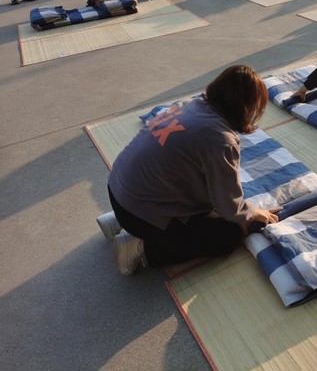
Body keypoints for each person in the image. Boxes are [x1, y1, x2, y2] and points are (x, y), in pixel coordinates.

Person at [102, 65, 280, 275]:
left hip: (118, 189)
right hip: (138, 215)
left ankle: (118, 220)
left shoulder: (191, 104)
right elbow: (230, 207)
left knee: (203, 200)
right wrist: (254, 213)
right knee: (229, 234)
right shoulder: (220, 138)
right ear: (244, 107)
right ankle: (140, 246)